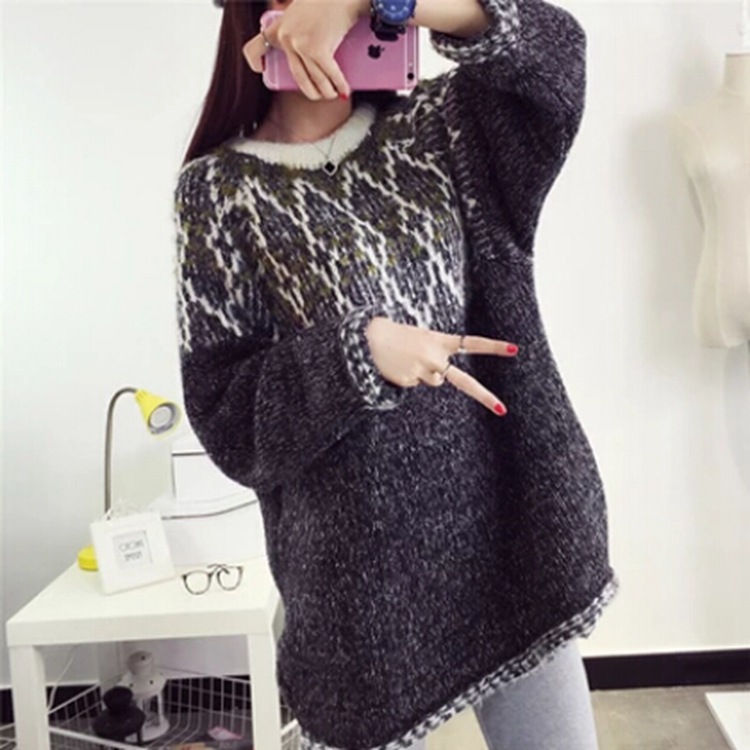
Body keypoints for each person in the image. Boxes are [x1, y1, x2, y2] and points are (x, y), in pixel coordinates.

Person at [172, 0, 620, 749]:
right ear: (263, 17)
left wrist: (383, 1)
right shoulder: (218, 193)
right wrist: (358, 351)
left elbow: (556, 54)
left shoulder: (448, 129)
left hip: (512, 541)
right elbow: (228, 416)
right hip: (358, 594)